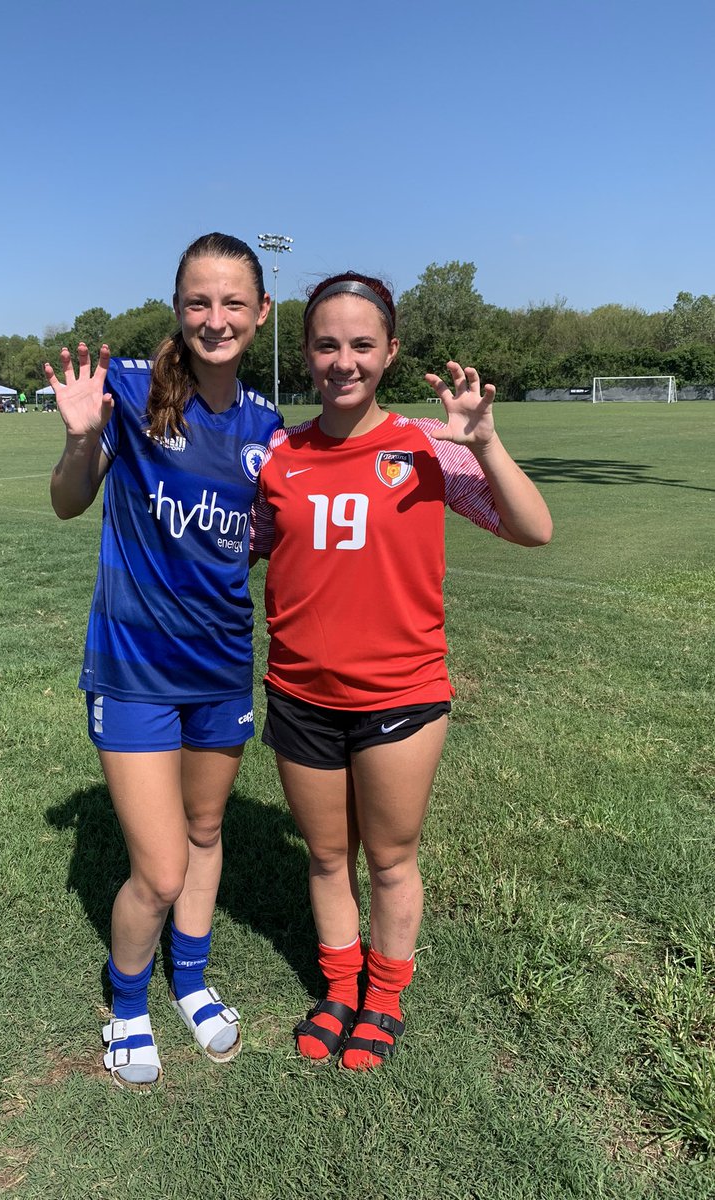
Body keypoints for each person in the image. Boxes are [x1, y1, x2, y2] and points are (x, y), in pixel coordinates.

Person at [251, 272, 552, 1071]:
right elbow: (239, 547)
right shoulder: (279, 454)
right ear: (306, 353)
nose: (343, 361)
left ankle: (383, 998)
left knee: (389, 858)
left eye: (361, 344)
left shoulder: (428, 445)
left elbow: (534, 529)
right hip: (300, 693)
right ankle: (339, 988)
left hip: (400, 693)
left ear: (389, 352)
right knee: (326, 857)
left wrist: (484, 443)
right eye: (326, 345)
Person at [46, 233, 279, 1089]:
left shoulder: (266, 427)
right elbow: (69, 502)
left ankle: (190, 979)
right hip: (134, 669)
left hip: (221, 667)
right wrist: (81, 440)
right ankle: (127, 1003)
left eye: (232, 303)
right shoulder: (134, 391)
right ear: (178, 308)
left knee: (206, 833)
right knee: (161, 866)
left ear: (261, 313)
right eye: (198, 302)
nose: (215, 319)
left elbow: (258, 539)